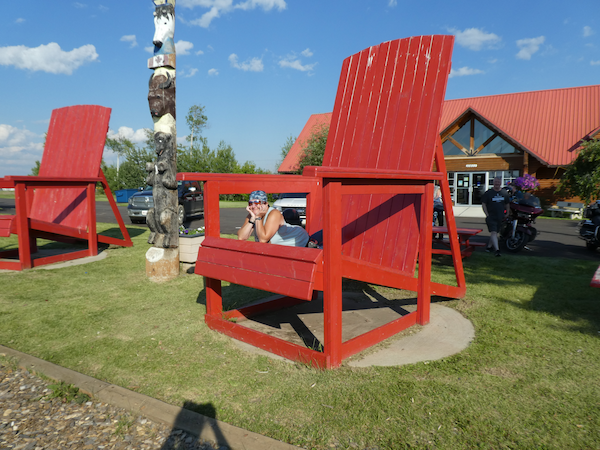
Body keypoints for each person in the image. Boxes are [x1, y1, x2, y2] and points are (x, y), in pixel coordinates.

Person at [238, 190, 310, 247]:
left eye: (257, 202)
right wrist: (252, 219)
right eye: (251, 203)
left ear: (265, 204)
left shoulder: (274, 213)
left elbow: (263, 240)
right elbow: (241, 237)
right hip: (280, 246)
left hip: (298, 239)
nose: (253, 206)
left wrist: (258, 217)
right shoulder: (252, 216)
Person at [481, 176, 511, 256]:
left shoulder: (504, 193)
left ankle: (489, 247)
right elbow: (483, 203)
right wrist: (486, 214)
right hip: (491, 216)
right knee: (494, 232)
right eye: (496, 182)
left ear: (500, 183)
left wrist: (507, 212)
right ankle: (497, 250)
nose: (497, 183)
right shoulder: (488, 193)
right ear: (493, 183)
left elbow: (507, 203)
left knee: (495, 232)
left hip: (500, 216)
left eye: (498, 182)